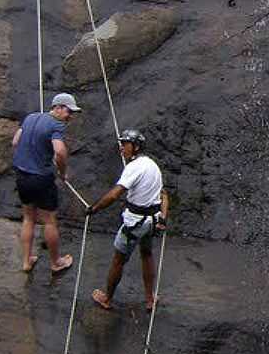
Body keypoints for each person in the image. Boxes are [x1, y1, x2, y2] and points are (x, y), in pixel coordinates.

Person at [87, 128, 169, 311]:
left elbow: (115, 195)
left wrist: (95, 208)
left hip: (135, 223)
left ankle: (107, 298)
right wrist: (163, 217)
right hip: (152, 221)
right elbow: (164, 194)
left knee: (118, 260)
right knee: (146, 254)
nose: (122, 148)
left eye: (125, 144)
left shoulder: (133, 168)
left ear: (136, 147)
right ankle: (149, 298)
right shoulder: (152, 165)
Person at [12, 92, 81, 275]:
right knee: (49, 220)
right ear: (57, 108)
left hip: (22, 175)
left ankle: (26, 261)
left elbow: (15, 141)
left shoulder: (30, 117)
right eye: (68, 111)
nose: (70, 116)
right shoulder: (56, 125)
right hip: (41, 178)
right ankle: (56, 262)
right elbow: (59, 151)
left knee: (28, 217)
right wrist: (63, 172)